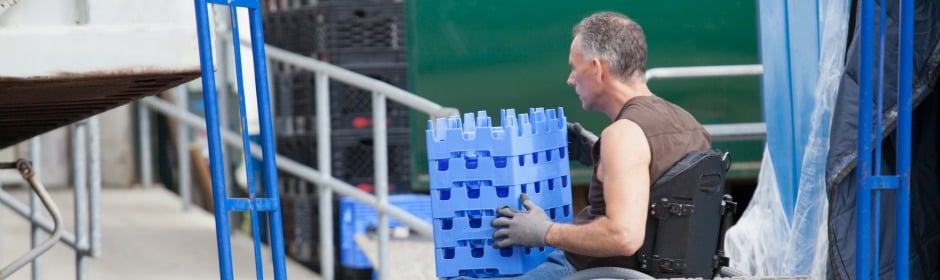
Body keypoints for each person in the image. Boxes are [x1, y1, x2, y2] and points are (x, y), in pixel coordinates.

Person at [480, 11, 712, 279]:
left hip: (596, 271)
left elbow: (624, 235)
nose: (570, 79)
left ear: (597, 68)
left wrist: (544, 231)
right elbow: (664, 185)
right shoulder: (690, 124)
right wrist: (602, 159)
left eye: (574, 67)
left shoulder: (624, 135)